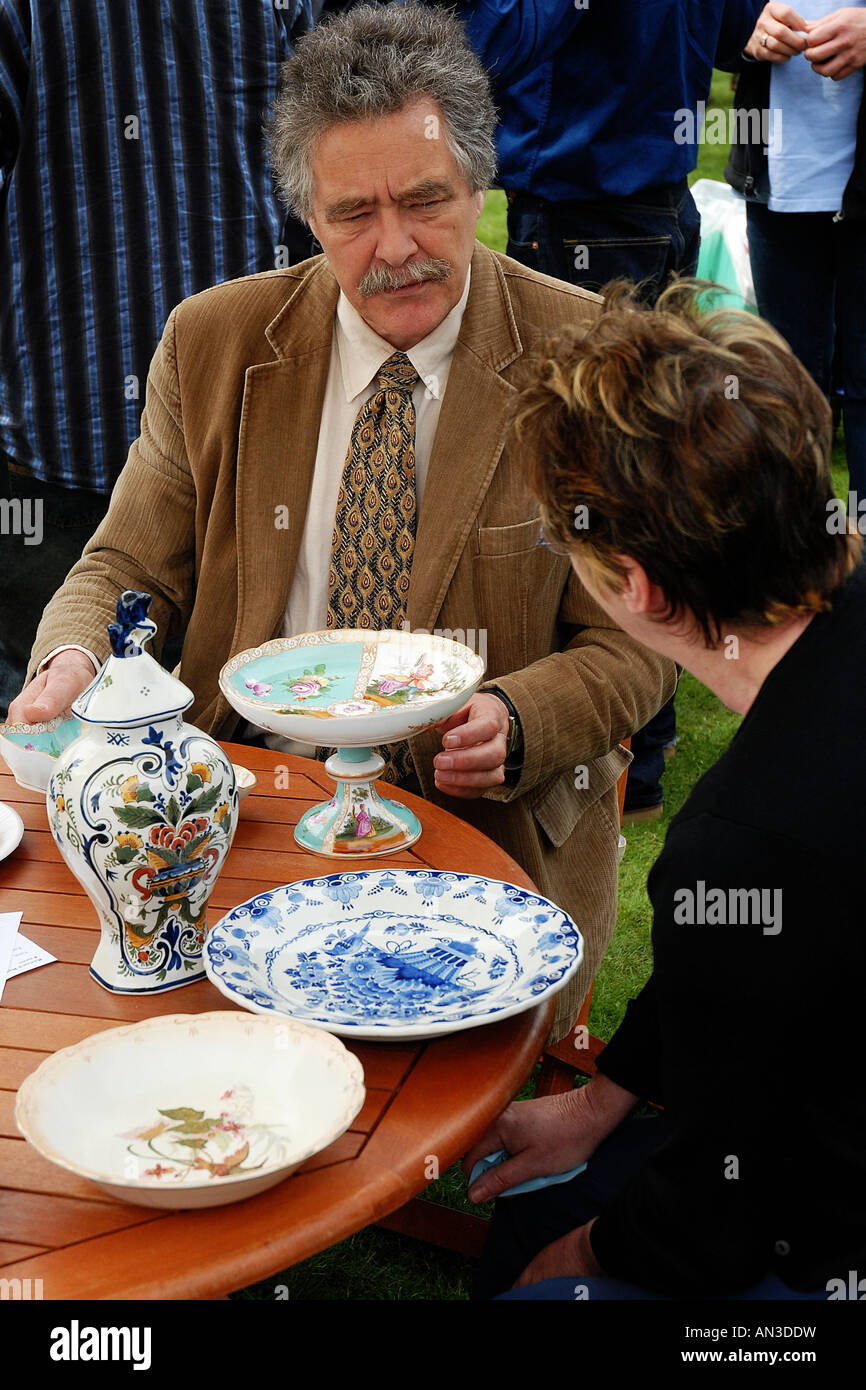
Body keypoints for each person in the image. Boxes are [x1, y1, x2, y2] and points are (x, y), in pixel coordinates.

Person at [8, 4, 675, 1041]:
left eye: (424, 201)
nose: (394, 248)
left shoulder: (584, 358)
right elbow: (126, 560)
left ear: (478, 187)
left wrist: (522, 717)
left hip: (481, 839)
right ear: (306, 217)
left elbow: (636, 638)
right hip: (247, 812)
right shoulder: (213, 342)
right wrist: (68, 651)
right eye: (351, 214)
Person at [465, 281, 865, 1299]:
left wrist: (586, 1260)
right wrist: (600, 1103)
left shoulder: (745, 843)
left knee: (537, 1272)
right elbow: (739, 989)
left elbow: (730, 1203)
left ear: (633, 587)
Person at [453, 0, 759, 822]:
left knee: (592, 486)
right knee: (649, 476)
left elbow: (488, 47)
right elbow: (741, 33)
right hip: (652, 205)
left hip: (591, 209)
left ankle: (625, 747)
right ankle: (640, 743)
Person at [0, 0, 315, 716]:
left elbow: (315, 183)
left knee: (198, 734)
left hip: (217, 438)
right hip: (91, 444)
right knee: (69, 714)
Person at [725, 0, 866, 496]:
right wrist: (747, 30)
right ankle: (801, 567)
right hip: (778, 182)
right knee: (788, 394)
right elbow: (712, 22)